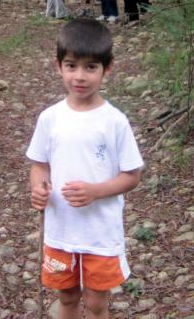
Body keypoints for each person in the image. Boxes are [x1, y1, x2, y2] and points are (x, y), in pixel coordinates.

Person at [27, 18, 143, 319]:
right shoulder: (50, 118)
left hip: (100, 232)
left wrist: (97, 191)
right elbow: (39, 165)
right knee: (66, 298)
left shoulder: (114, 121)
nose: (80, 76)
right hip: (60, 230)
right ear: (58, 66)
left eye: (91, 67)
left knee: (95, 303)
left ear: (108, 67)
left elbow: (132, 176)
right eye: (71, 66)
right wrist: (38, 189)